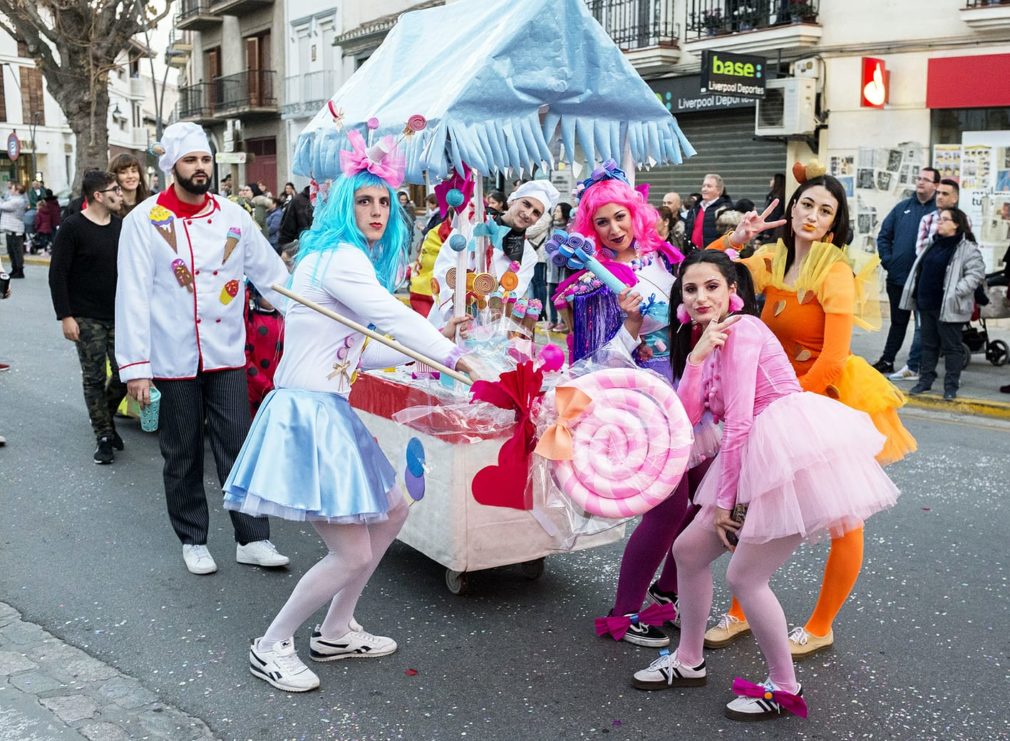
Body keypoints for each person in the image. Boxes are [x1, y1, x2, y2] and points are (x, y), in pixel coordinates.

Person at [223, 129, 488, 692]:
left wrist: (433, 340)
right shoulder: (340, 257)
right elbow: (389, 316)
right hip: (308, 415)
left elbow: (361, 348)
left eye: (384, 201)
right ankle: (270, 644)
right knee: (349, 553)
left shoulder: (337, 262)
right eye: (364, 200)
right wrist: (451, 355)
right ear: (345, 206)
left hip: (328, 410)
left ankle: (337, 630)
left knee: (393, 508)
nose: (376, 210)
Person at [631, 249, 899, 722]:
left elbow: (735, 426)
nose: (700, 297)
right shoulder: (705, 340)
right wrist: (694, 358)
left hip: (785, 455)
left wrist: (726, 504)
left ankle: (783, 687)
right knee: (689, 553)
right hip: (755, 454)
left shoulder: (746, 330)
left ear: (732, 291)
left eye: (712, 286)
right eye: (690, 289)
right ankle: (689, 660)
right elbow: (687, 416)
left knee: (745, 577)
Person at [705, 171, 916, 658]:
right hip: (773, 400)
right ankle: (740, 613)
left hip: (819, 401)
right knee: (757, 505)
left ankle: (821, 625)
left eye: (825, 211)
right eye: (807, 204)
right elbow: (707, 271)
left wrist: (784, 406)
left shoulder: (835, 272)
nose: (812, 216)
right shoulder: (769, 259)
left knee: (845, 517)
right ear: (792, 208)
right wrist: (735, 238)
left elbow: (833, 359)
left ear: (834, 224)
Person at [115, 122, 291, 576]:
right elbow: (132, 296)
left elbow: (272, 275)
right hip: (172, 357)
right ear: (172, 165)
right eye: (190, 160)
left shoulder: (233, 216)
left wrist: (310, 315)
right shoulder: (144, 221)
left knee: (238, 443)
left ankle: (253, 537)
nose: (199, 168)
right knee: (183, 451)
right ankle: (193, 538)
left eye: (205, 160)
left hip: (227, 354)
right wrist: (136, 367)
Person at [552, 164, 688, 646]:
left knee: (692, 504)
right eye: (603, 222)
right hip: (643, 398)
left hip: (688, 384)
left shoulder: (661, 260)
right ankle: (624, 611)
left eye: (620, 217)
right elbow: (590, 361)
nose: (614, 229)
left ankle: (668, 594)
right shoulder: (590, 284)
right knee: (668, 505)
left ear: (636, 215)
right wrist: (630, 328)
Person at [47, 170, 127, 464]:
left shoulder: (121, 227)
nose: (120, 194)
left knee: (124, 373)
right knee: (93, 377)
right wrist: (65, 316)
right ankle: (104, 434)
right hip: (85, 317)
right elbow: (58, 275)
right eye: (114, 190)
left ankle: (103, 417)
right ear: (98, 196)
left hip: (119, 315)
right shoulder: (72, 227)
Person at [431, 180, 559, 324]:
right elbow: (445, 263)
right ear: (512, 201)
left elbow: (511, 294)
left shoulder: (528, 255)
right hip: (448, 318)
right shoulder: (474, 223)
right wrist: (458, 308)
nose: (528, 214)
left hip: (486, 330)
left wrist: (484, 316)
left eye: (536, 213)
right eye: (526, 204)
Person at [903, 208, 985, 401]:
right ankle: (925, 381)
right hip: (927, 304)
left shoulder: (967, 248)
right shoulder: (933, 243)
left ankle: (951, 386)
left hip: (949, 306)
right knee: (928, 345)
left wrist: (957, 292)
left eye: (944, 219)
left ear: (956, 224)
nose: (939, 222)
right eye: (939, 219)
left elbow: (976, 273)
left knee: (952, 348)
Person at [891, 178, 962, 382]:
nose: (939, 196)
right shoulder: (928, 219)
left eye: (945, 193)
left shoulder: (961, 220)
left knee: (946, 333)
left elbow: (962, 252)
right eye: (938, 193)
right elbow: (922, 252)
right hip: (928, 285)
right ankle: (915, 367)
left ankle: (944, 376)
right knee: (923, 328)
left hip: (949, 287)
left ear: (955, 198)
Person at [872, 167, 939, 375]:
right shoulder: (902, 208)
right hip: (898, 279)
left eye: (926, 179)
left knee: (925, 327)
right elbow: (883, 236)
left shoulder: (939, 212)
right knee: (898, 323)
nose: (921, 182)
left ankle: (921, 365)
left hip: (925, 282)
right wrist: (889, 261)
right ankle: (887, 360)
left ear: (935, 185)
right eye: (918, 178)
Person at [683, 174, 732, 249]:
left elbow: (729, 238)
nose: (704, 189)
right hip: (693, 255)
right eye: (703, 186)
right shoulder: (694, 208)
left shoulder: (725, 210)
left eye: (709, 186)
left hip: (713, 256)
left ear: (719, 190)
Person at [547, 202, 572, 331]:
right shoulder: (551, 227)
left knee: (563, 295)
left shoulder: (569, 228)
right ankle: (552, 320)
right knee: (551, 293)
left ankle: (564, 322)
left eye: (558, 211)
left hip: (564, 267)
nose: (555, 213)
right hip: (552, 267)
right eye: (555, 210)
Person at [109, 152, 151, 217]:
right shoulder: (110, 207)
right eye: (123, 172)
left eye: (134, 171)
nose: (130, 176)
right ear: (115, 176)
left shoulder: (151, 200)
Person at [1, 183, 28, 279]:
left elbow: (2, 206)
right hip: (10, 229)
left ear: (17, 191)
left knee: (17, 251)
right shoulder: (13, 199)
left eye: (12, 189)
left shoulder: (17, 201)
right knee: (11, 251)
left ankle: (19, 270)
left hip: (15, 230)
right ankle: (14, 269)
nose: (10, 190)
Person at [756, 173, 786, 245]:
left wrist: (767, 233)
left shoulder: (777, 198)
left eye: (772, 179)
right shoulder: (772, 196)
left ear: (777, 181)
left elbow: (773, 216)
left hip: (771, 231)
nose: (770, 181)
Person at [32, 189, 61, 254]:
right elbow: (58, 211)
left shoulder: (47, 204)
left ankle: (52, 248)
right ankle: (55, 248)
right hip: (55, 221)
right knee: (54, 235)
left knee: (50, 236)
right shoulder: (56, 202)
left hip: (49, 222)